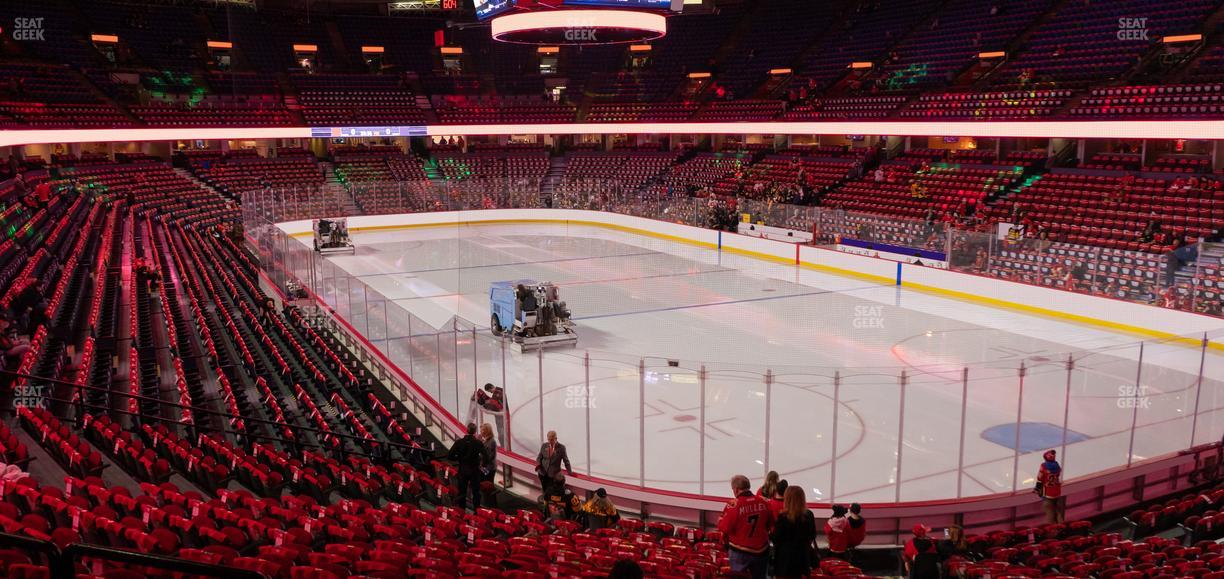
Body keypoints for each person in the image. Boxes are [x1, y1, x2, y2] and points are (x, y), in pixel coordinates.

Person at [717, 475, 774, 579]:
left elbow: (725, 528)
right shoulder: (764, 502)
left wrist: (720, 519)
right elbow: (771, 525)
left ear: (736, 490)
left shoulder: (734, 505)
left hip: (740, 551)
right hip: (761, 550)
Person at [771, 486, 817, 578]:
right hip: (803, 558)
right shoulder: (809, 515)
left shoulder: (783, 517)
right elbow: (812, 535)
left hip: (785, 560)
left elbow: (776, 539)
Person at [447, 423, 487, 511]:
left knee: (462, 492)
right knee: (476, 492)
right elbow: (486, 456)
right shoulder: (478, 443)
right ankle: (477, 512)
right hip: (474, 470)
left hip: (463, 470)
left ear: (467, 430)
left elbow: (449, 456)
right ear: (475, 431)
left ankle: (461, 512)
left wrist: (459, 459)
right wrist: (482, 465)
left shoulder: (459, 442)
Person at [1036, 449, 1065, 523]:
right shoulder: (1057, 465)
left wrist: (1037, 489)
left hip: (1048, 492)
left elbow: (1039, 477)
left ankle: (1053, 531)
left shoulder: (1044, 466)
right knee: (1058, 512)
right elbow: (1058, 473)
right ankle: (1061, 528)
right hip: (1057, 491)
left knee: (1050, 514)